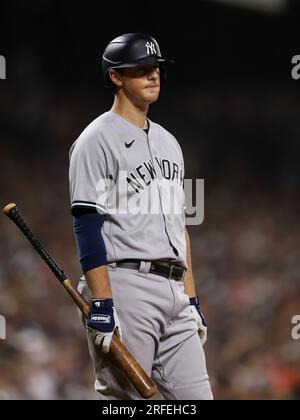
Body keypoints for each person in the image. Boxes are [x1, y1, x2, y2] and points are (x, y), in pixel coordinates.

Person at [69, 33, 213, 400]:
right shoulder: (95, 139)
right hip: (126, 283)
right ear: (116, 76)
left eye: (157, 69)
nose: (154, 76)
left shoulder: (169, 142)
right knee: (125, 403)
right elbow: (86, 222)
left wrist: (191, 299)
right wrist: (102, 301)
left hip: (174, 289)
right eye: (142, 69)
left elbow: (179, 229)